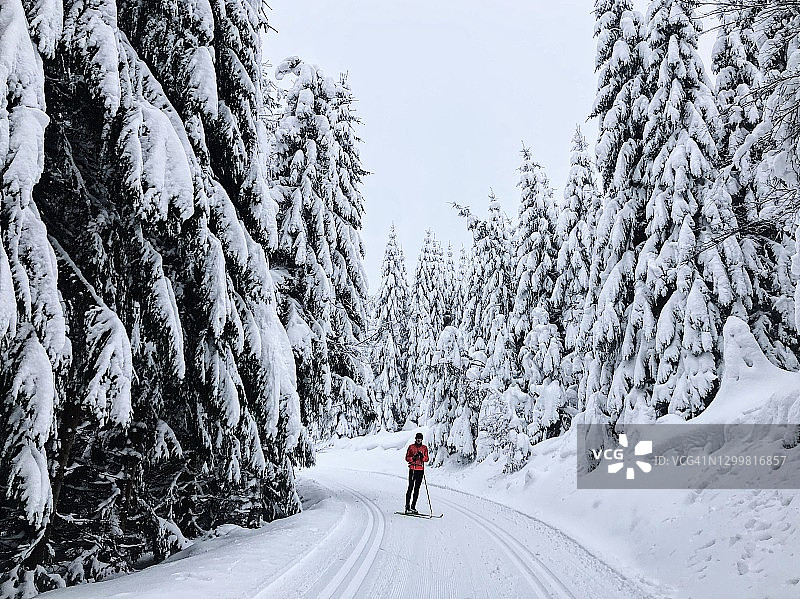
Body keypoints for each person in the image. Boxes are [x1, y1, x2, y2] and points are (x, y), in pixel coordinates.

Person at [404, 432, 429, 514]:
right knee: (410, 487)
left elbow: (427, 459)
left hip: (420, 470)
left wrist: (422, 457)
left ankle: (413, 506)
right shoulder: (411, 447)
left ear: (422, 439)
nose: (419, 440)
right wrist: (413, 458)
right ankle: (407, 506)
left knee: (417, 489)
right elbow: (407, 458)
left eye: (420, 438)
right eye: (417, 438)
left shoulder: (424, 448)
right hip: (413, 469)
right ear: (416, 439)